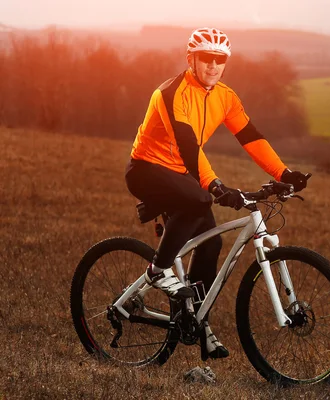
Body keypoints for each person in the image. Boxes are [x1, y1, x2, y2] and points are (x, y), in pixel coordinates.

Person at [124, 27, 309, 359]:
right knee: (198, 200)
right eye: (206, 58)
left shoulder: (225, 96)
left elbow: (250, 137)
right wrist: (215, 185)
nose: (213, 65)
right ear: (191, 59)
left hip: (182, 173)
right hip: (147, 169)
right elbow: (188, 147)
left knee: (212, 242)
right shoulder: (171, 93)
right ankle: (158, 270)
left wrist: (283, 173)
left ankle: (198, 321)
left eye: (220, 59)